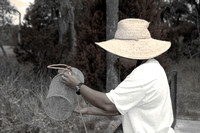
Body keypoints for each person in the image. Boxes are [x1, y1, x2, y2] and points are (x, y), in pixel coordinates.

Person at [60, 18, 174, 133]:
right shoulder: (153, 67)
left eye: (121, 52)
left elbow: (109, 104)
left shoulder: (144, 74)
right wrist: (87, 110)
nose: (119, 57)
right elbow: (120, 107)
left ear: (132, 51)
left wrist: (78, 86)